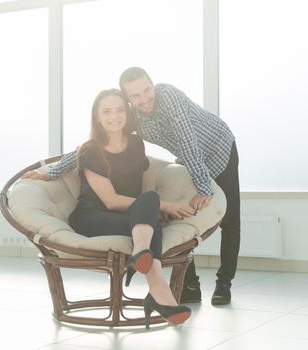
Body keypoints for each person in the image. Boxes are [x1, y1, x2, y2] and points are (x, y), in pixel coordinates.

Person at [23, 89, 193, 329]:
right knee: (152, 215)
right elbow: (111, 200)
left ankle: (146, 265)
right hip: (90, 217)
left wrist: (153, 203)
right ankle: (158, 289)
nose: (115, 116)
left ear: (127, 113)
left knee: (150, 199)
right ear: (98, 118)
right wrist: (166, 206)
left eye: (120, 109)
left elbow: (138, 190)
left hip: (127, 217)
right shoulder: (91, 150)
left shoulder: (136, 143)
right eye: (107, 111)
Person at [118, 67, 240, 306]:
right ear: (128, 99)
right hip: (192, 160)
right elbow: (103, 136)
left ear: (153, 84)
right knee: (178, 216)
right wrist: (57, 166)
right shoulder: (133, 118)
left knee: (230, 220)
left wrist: (204, 188)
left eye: (147, 90)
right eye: (135, 96)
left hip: (220, 148)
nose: (144, 100)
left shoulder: (168, 96)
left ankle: (224, 284)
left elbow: (188, 141)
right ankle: (191, 285)